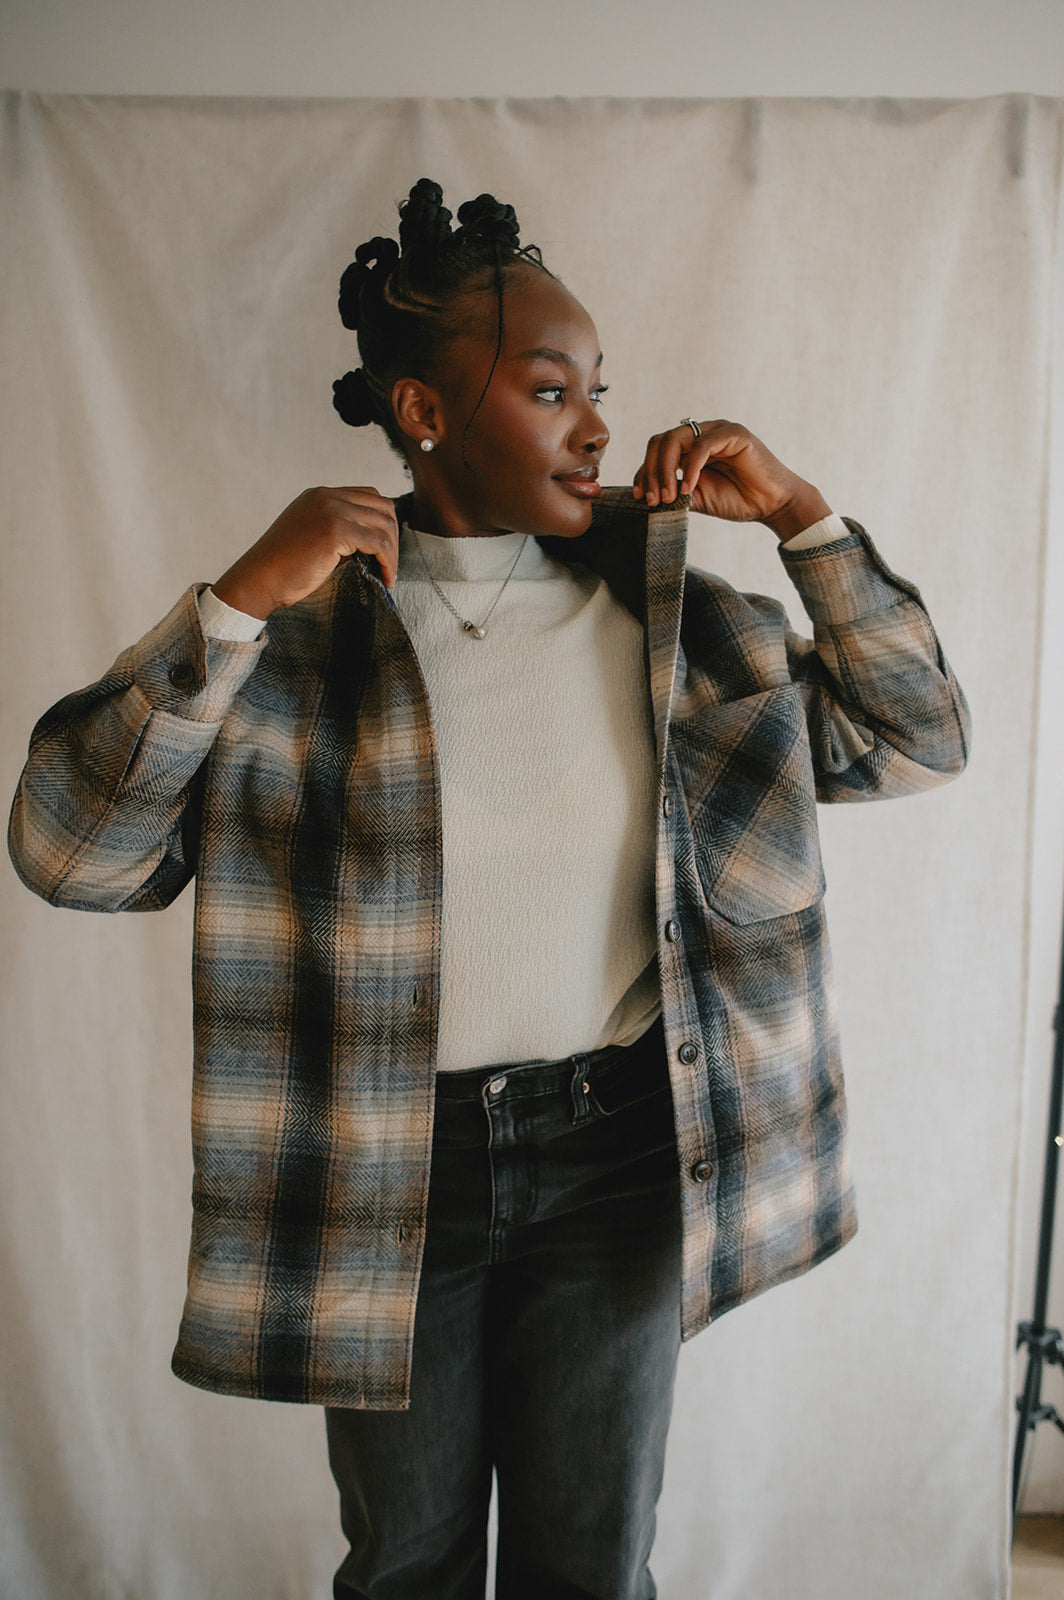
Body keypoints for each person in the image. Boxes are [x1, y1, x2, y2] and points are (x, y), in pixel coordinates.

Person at [8, 178, 970, 1600]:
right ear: (425, 412)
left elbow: (917, 737)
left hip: (621, 1150)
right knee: (408, 1563)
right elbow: (71, 852)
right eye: (550, 389)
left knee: (592, 1567)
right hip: (387, 1166)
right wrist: (237, 599)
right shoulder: (296, 653)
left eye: (599, 391)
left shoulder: (686, 630)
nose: (595, 427)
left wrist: (799, 515)